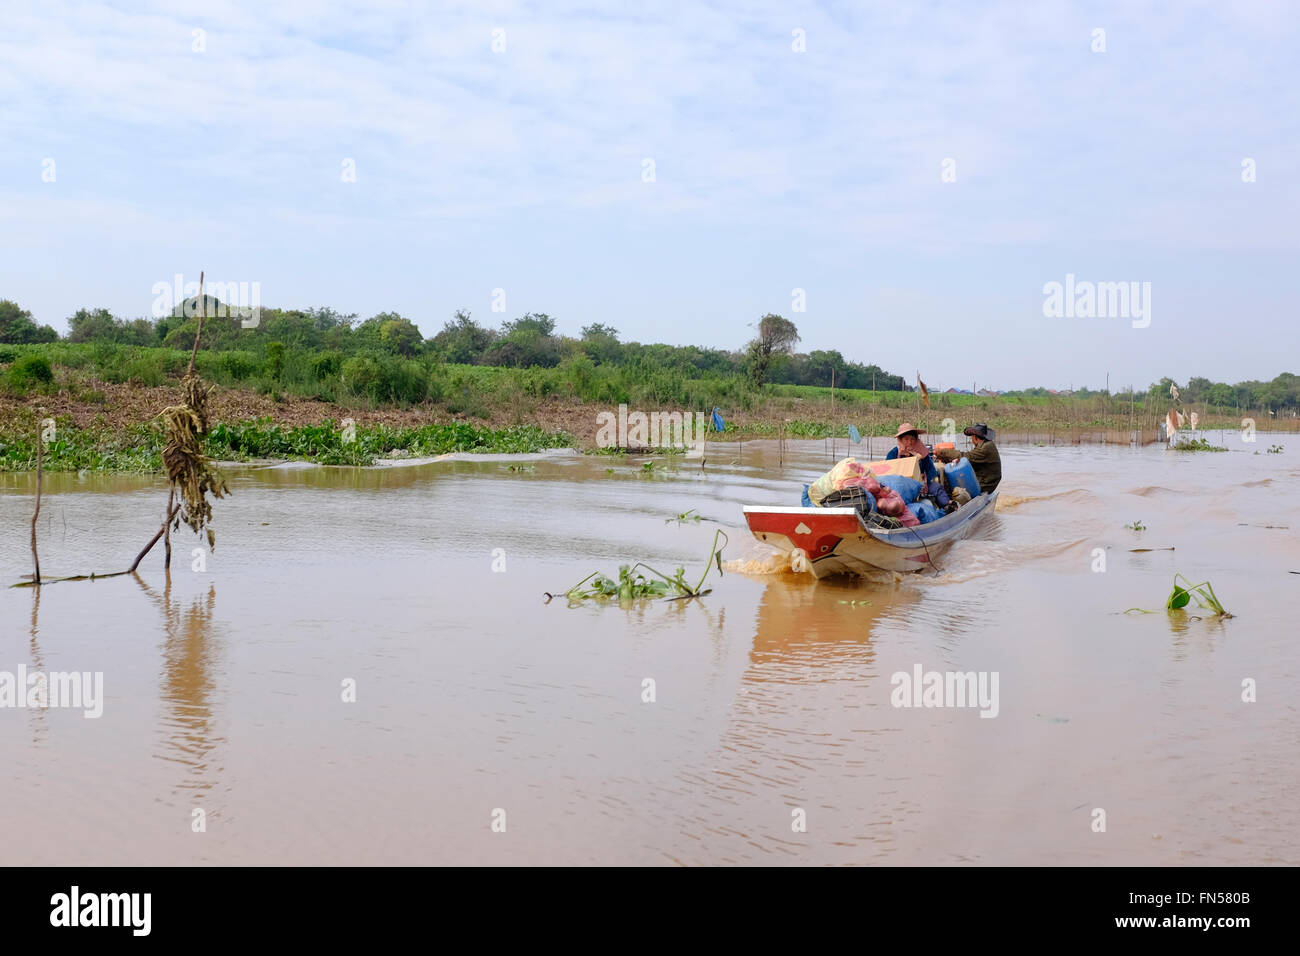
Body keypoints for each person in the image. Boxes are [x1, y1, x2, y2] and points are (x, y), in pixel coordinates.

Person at [955, 423, 1001, 493]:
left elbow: (965, 456)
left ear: (975, 437)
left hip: (987, 485)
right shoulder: (987, 443)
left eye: (972, 437)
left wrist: (942, 452)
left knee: (956, 487)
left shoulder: (985, 448)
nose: (971, 439)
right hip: (989, 481)